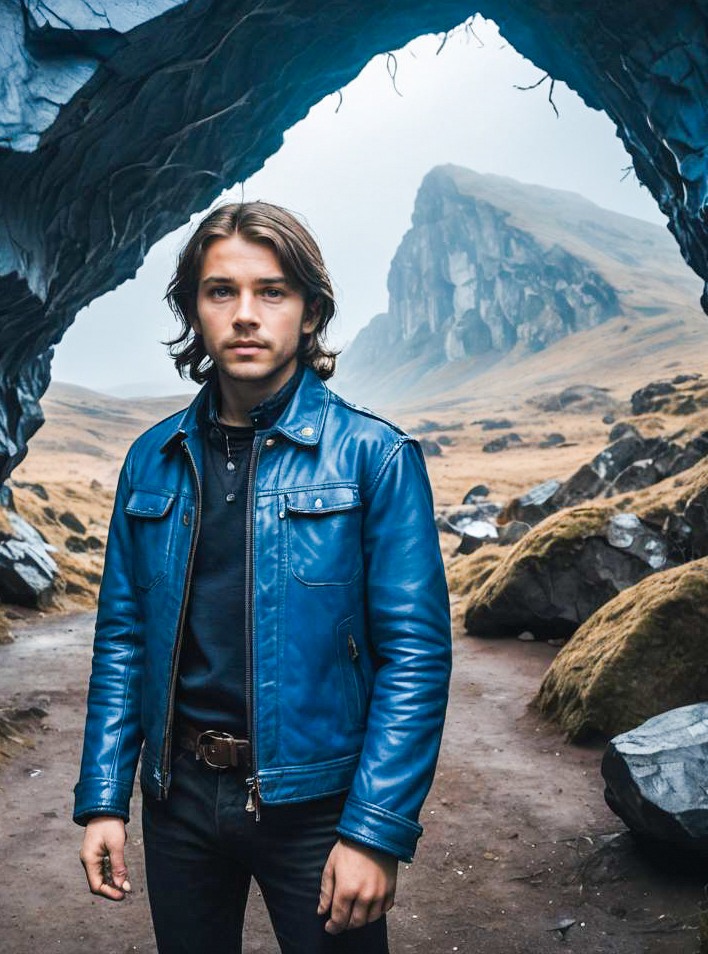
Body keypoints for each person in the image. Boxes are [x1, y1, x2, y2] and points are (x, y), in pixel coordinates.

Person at [72, 200, 453, 953]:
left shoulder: (374, 457)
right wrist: (103, 800)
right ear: (194, 309)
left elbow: (416, 657)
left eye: (271, 291)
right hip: (176, 799)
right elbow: (122, 638)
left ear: (310, 312)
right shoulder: (152, 460)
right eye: (222, 291)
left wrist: (375, 832)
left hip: (316, 805)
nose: (246, 314)